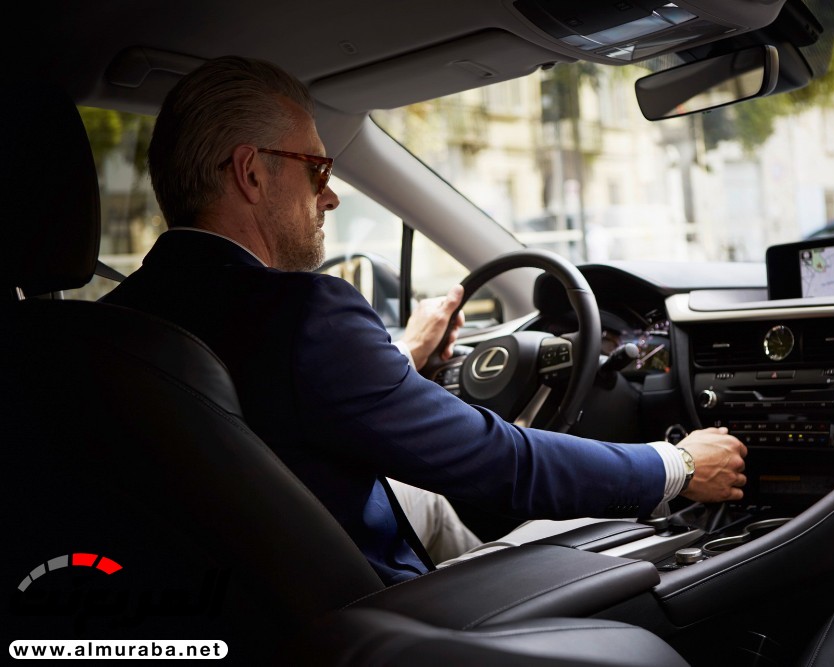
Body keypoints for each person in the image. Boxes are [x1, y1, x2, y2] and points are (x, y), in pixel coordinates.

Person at [101, 56, 747, 585]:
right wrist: (677, 466)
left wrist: (401, 359)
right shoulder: (302, 314)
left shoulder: (104, 327)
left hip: (238, 597)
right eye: (317, 170)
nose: (331, 195)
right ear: (250, 173)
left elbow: (266, 401)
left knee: (427, 500)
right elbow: (501, 461)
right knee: (627, 543)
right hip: (354, 620)